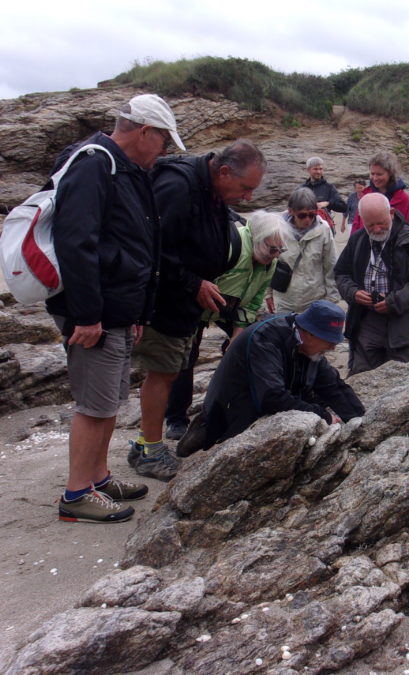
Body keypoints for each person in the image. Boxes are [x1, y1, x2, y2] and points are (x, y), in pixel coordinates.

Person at [47, 93, 184, 524]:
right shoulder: (94, 165)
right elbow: (76, 242)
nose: (164, 151)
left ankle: (99, 477)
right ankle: (76, 494)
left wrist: (138, 313)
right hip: (95, 312)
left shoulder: (124, 168)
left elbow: (132, 244)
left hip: (117, 310)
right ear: (146, 132)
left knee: (109, 399)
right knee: (96, 404)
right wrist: (87, 315)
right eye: (164, 141)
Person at [129, 140, 266, 480]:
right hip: (164, 302)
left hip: (184, 302)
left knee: (170, 371)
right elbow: (152, 247)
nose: (248, 197)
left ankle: (146, 442)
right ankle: (150, 450)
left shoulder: (210, 190)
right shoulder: (178, 187)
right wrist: (194, 283)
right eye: (245, 188)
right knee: (162, 372)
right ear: (223, 172)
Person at [160, 212, 285, 447]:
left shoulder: (270, 262)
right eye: (272, 250)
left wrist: (238, 334)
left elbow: (255, 299)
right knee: (185, 358)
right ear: (258, 239)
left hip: (231, 304)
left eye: (281, 250)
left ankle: (244, 408)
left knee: (256, 343)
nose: (276, 255)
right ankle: (176, 419)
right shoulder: (227, 246)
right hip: (196, 302)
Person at [175, 300, 364, 456]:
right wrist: (324, 416)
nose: (332, 348)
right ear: (308, 332)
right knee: (226, 441)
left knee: (318, 396)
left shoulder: (310, 346)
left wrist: (360, 421)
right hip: (235, 404)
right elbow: (271, 396)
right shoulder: (265, 337)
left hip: (277, 390)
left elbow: (334, 386)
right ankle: (203, 430)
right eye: (329, 341)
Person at [335, 192, 409, 375]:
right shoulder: (358, 239)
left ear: (391, 213)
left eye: (380, 223)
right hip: (365, 319)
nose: (376, 229)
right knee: (361, 375)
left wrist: (393, 301)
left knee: (402, 375)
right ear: (362, 220)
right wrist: (353, 292)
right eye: (370, 225)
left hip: (401, 319)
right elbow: (341, 273)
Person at [271, 187, 339, 313]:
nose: (308, 219)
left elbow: (331, 265)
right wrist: (267, 295)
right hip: (284, 301)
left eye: (312, 214)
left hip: (315, 301)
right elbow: (267, 264)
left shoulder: (324, 230)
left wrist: (332, 299)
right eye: (302, 215)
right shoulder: (276, 230)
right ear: (291, 211)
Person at [349, 152, 409, 233]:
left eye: (379, 174)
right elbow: (357, 224)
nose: (375, 178)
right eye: (372, 174)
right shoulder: (365, 196)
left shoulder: (404, 199)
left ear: (390, 173)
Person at [301, 157, 346, 223]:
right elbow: (292, 207)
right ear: (308, 170)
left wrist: (327, 203)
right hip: (304, 224)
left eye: (320, 169)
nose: (318, 172)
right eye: (315, 169)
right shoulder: (301, 189)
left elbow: (343, 207)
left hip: (324, 225)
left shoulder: (329, 188)